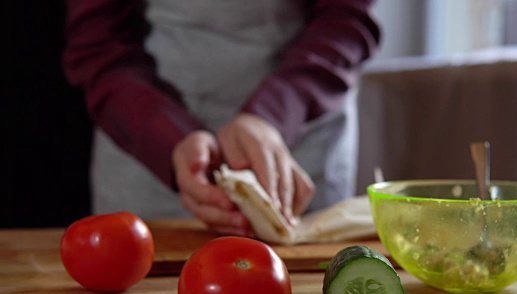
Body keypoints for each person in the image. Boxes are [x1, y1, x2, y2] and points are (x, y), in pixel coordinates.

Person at [63, 0, 380, 237]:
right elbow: (100, 45)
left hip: (302, 137)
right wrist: (168, 137)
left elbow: (345, 18)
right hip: (145, 150)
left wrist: (274, 113)